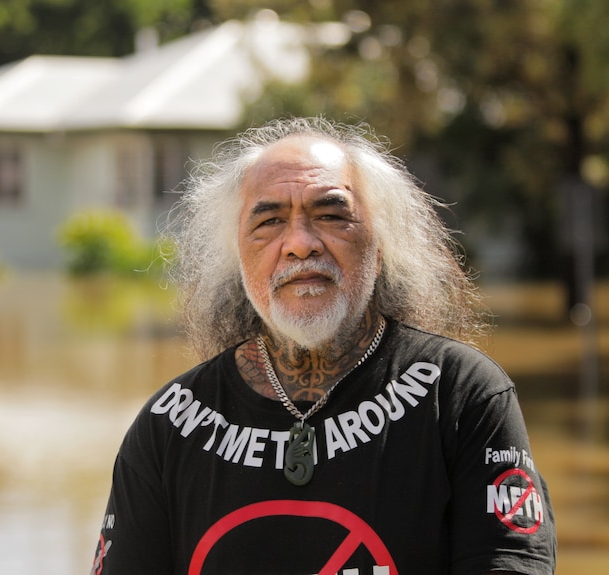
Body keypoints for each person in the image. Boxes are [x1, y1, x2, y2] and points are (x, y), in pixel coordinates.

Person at [89, 117, 556, 575]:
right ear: (236, 252)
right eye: (269, 221)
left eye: (331, 216)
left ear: (380, 240)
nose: (299, 243)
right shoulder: (169, 425)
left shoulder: (462, 395)